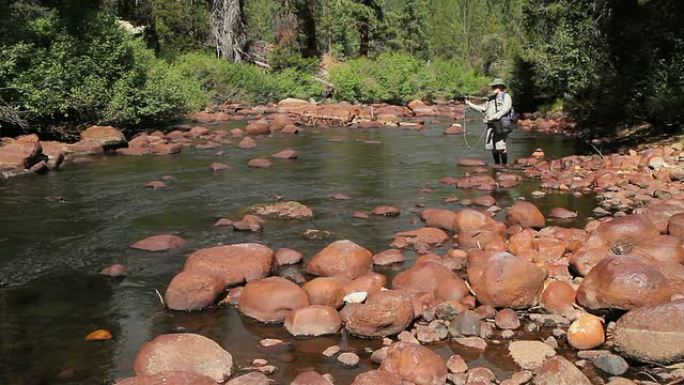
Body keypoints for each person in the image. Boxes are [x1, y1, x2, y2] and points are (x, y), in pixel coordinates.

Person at [465, 78, 514, 165]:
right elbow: (483, 108)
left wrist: (493, 117)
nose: (493, 88)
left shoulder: (506, 97)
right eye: (493, 87)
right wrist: (470, 104)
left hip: (501, 125)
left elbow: (505, 110)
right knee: (493, 147)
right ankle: (497, 165)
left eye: (494, 86)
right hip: (491, 126)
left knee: (501, 146)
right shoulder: (490, 99)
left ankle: (504, 166)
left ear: (500, 87)